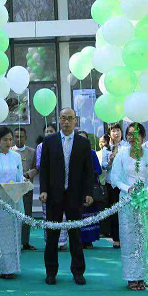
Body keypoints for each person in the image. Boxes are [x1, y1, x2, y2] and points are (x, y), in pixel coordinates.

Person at [40, 108, 94, 286]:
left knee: (75, 235)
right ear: (59, 120)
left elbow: (88, 171)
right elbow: (44, 169)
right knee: (52, 235)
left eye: (70, 119)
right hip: (54, 195)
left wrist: (88, 193)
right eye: (63, 118)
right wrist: (44, 190)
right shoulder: (49, 141)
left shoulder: (83, 143)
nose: (66, 122)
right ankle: (50, 272)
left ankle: (78, 272)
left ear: (75, 121)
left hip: (75, 195)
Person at [110, 123, 148, 291]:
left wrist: (145, 192)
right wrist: (128, 189)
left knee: (145, 239)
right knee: (129, 240)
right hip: (127, 202)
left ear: (143, 137)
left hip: (144, 201)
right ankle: (132, 277)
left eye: (136, 134)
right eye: (130, 134)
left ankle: (145, 276)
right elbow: (115, 178)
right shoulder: (121, 156)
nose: (133, 138)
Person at [0, 127, 24, 279]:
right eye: (5, 139)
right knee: (0, 234)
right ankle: (2, 268)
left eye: (10, 139)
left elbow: (19, 176)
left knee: (14, 233)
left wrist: (24, 182)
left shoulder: (16, 156)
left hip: (14, 199)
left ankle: (12, 267)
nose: (8, 142)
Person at [100, 124, 126, 248]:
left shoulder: (126, 146)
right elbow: (104, 166)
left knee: (126, 211)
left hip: (125, 184)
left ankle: (127, 237)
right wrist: (110, 161)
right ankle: (116, 239)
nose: (116, 133)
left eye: (118, 130)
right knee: (114, 211)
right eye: (113, 131)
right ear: (109, 134)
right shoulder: (106, 149)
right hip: (112, 183)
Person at [13, 127, 37, 251]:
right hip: (12, 189)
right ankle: (14, 241)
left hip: (26, 188)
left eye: (21, 136)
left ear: (26, 138)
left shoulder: (32, 151)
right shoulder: (10, 151)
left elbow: (36, 167)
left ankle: (25, 242)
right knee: (13, 215)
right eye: (16, 136)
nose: (19, 139)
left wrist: (28, 174)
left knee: (27, 215)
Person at [78, 131, 103, 249]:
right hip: (77, 189)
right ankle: (80, 239)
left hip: (90, 188)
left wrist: (87, 174)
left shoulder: (92, 153)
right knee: (79, 214)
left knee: (90, 214)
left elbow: (99, 170)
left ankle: (89, 240)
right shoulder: (73, 153)